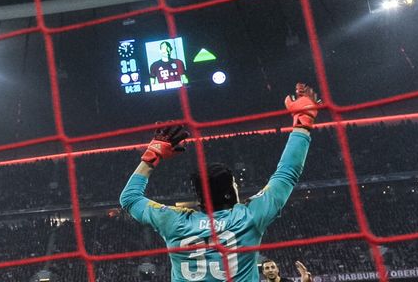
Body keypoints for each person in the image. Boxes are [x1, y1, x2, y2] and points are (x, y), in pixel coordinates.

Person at [120, 83, 320, 281]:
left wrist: (153, 155)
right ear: (228, 193)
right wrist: (303, 123)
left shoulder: (174, 221)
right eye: (234, 184)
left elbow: (129, 198)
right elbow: (286, 173)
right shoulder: (248, 217)